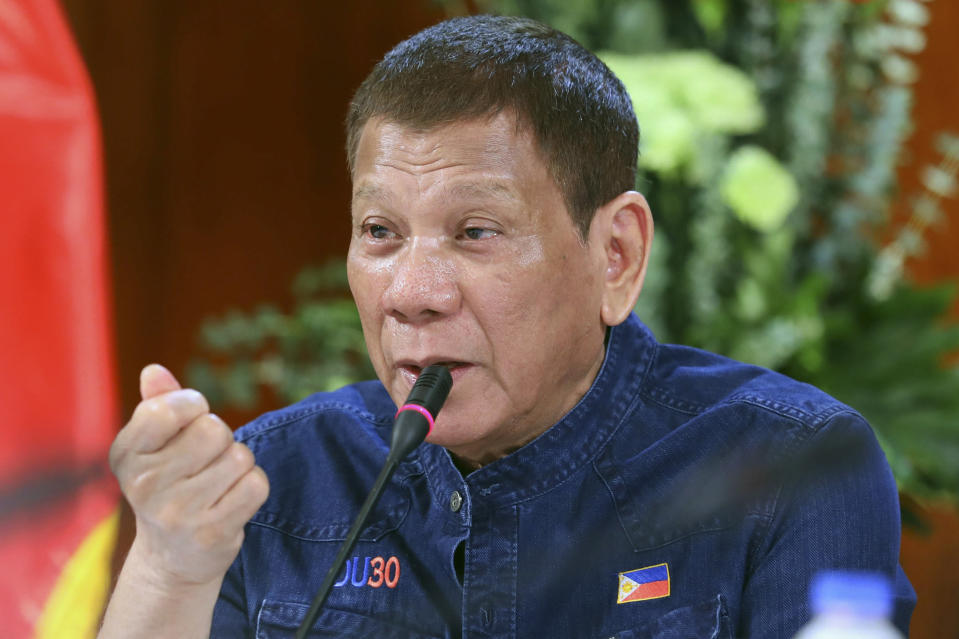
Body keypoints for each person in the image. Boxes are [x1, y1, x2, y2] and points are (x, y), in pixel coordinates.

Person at [99, 15, 915, 639]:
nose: (411, 294)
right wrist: (171, 568)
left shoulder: (793, 467)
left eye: (475, 232)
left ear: (616, 256)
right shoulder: (274, 479)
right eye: (380, 233)